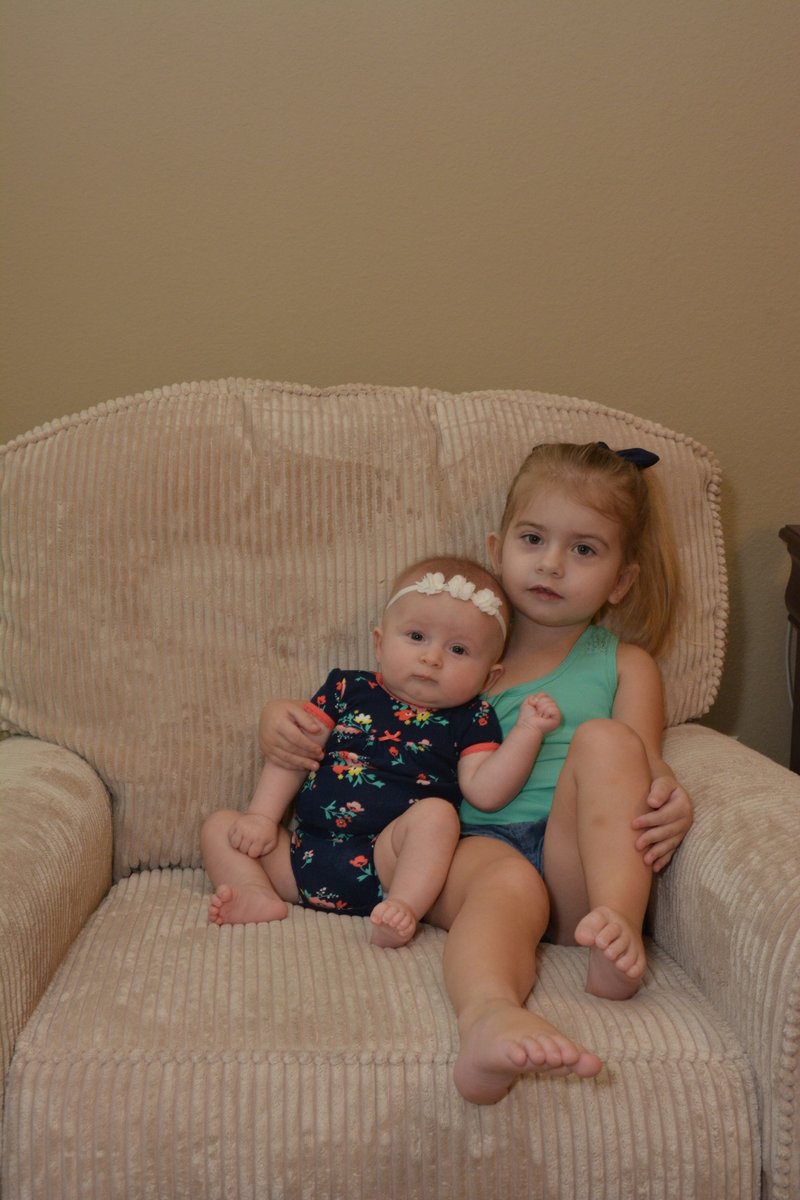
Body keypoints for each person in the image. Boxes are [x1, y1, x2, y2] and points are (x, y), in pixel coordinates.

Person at [258, 442, 693, 1102]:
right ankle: (489, 1017)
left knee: (608, 741)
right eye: (533, 539)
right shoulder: (457, 643)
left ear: (621, 581)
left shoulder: (625, 664)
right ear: (498, 548)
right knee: (504, 885)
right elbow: (367, 705)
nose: (551, 563)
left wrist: (671, 797)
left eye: (584, 549)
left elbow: (645, 767)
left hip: (575, 861)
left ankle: (617, 930)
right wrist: (278, 719)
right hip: (470, 853)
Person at [202, 555, 561, 948]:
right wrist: (261, 816)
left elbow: (485, 792)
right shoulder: (345, 689)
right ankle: (255, 891)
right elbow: (293, 754)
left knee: (438, 816)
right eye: (417, 637)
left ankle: (403, 909)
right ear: (379, 642)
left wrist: (527, 732)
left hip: (388, 864)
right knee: (220, 826)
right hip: (299, 856)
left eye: (458, 649)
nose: (432, 658)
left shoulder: (472, 718)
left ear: (489, 676)